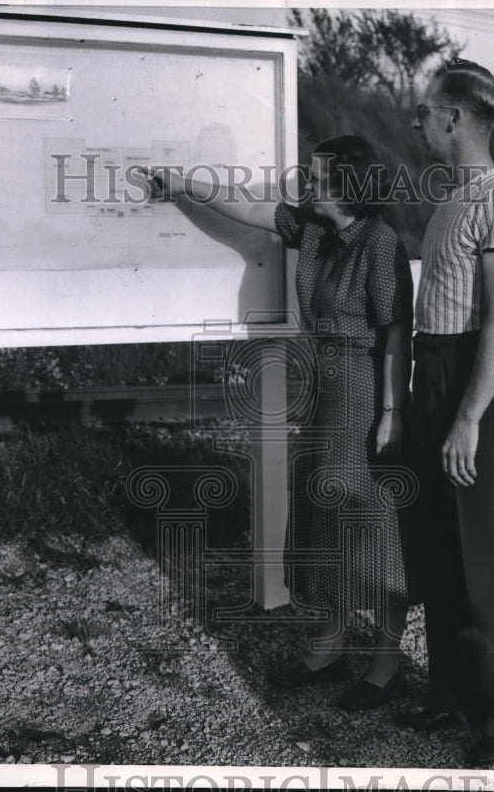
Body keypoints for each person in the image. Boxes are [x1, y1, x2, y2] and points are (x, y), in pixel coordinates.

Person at [139, 135, 414, 711]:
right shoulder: (312, 228)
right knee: (319, 513)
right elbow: (247, 207)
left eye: (316, 176)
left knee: (370, 519)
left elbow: (395, 332)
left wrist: (392, 412)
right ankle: (328, 646)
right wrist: (185, 184)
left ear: (347, 185)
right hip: (321, 385)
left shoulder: (380, 242)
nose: (304, 182)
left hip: (363, 387)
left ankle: (386, 663)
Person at [395, 60, 494, 767]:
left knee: (489, 555)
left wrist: (468, 416)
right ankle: (452, 692)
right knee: (441, 547)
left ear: (454, 117)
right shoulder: (451, 196)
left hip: (479, 381)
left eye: (423, 109)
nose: (415, 120)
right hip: (436, 369)